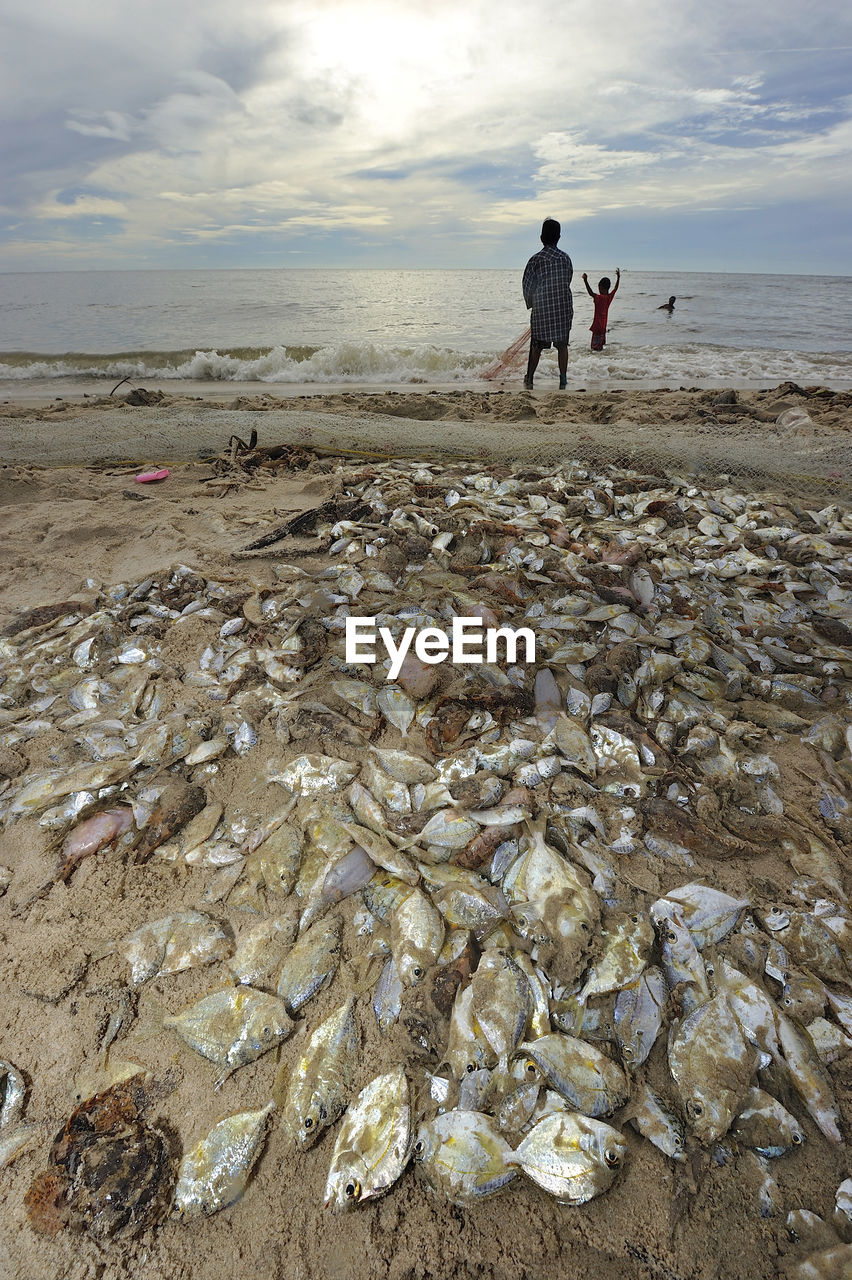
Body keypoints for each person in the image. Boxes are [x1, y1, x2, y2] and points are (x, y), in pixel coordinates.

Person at [522, 218, 573, 390]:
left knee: (536, 346)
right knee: (562, 346)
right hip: (563, 309)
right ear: (558, 237)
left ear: (541, 237)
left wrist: (531, 304)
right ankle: (563, 379)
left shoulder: (535, 260)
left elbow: (527, 285)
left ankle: (529, 378)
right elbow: (568, 280)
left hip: (542, 310)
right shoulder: (565, 258)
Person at [583, 268, 620, 351]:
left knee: (594, 348)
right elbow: (615, 288)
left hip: (597, 327)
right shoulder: (608, 298)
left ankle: (597, 362)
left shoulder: (599, 298)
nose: (599, 290)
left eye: (599, 288)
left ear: (601, 288)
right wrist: (618, 277)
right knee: (600, 348)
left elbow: (590, 293)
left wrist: (585, 281)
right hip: (603, 327)